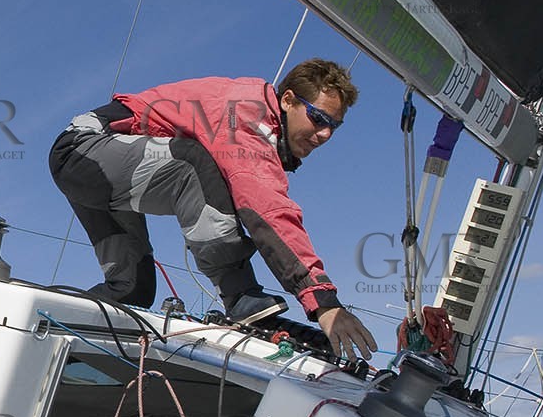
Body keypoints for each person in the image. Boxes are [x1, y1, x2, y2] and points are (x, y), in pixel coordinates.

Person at [48, 58, 378, 360]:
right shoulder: (247, 115)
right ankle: (240, 296)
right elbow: (268, 209)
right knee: (193, 164)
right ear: (288, 100)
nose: (325, 134)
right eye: (319, 119)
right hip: (84, 151)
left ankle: (53, 321)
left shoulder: (252, 120)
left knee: (132, 291)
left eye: (335, 126)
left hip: (102, 171)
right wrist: (321, 301)